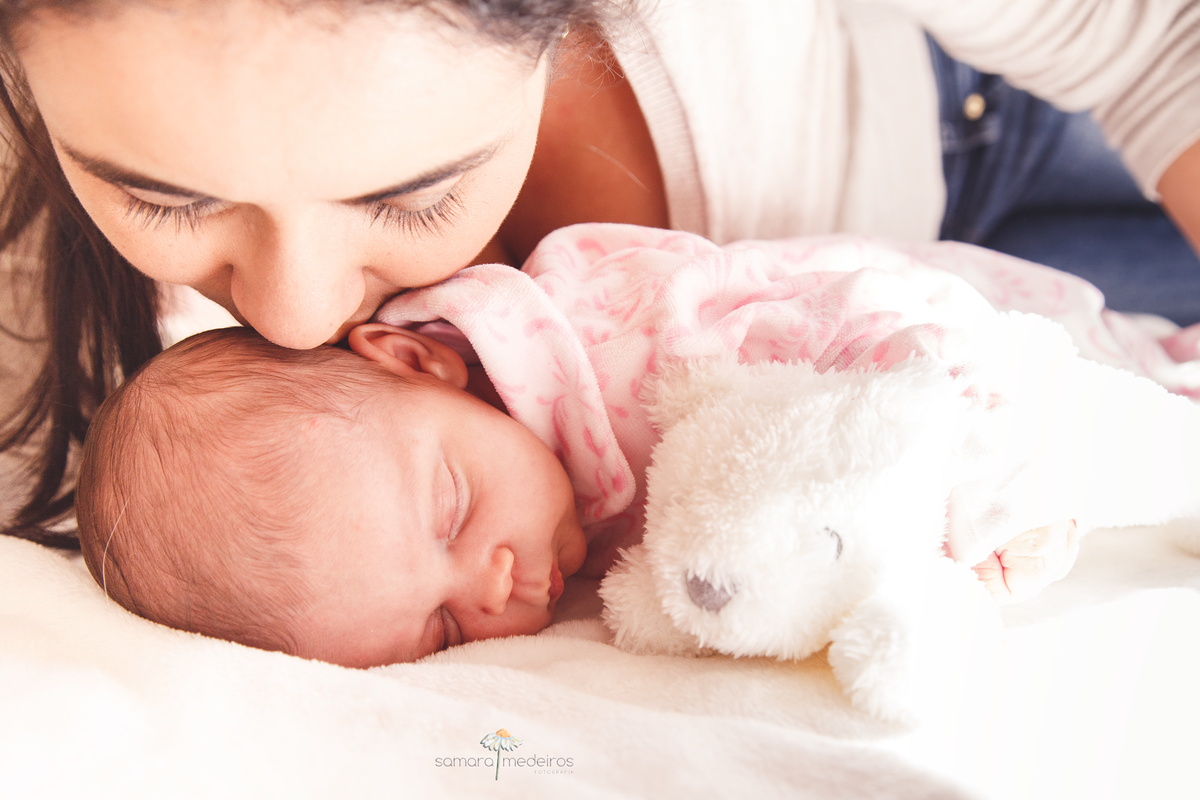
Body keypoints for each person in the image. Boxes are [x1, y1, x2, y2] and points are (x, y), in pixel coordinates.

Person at [4, 0, 1200, 544]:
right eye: (158, 196)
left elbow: (1165, 43)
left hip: (996, 111)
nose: (296, 311)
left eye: (419, 192)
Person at [77, 223, 1118, 666]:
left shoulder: (621, 324)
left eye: (451, 508)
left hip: (1021, 318)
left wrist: (990, 479)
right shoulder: (516, 475)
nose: (496, 588)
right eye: (443, 628)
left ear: (419, 360)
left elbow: (891, 317)